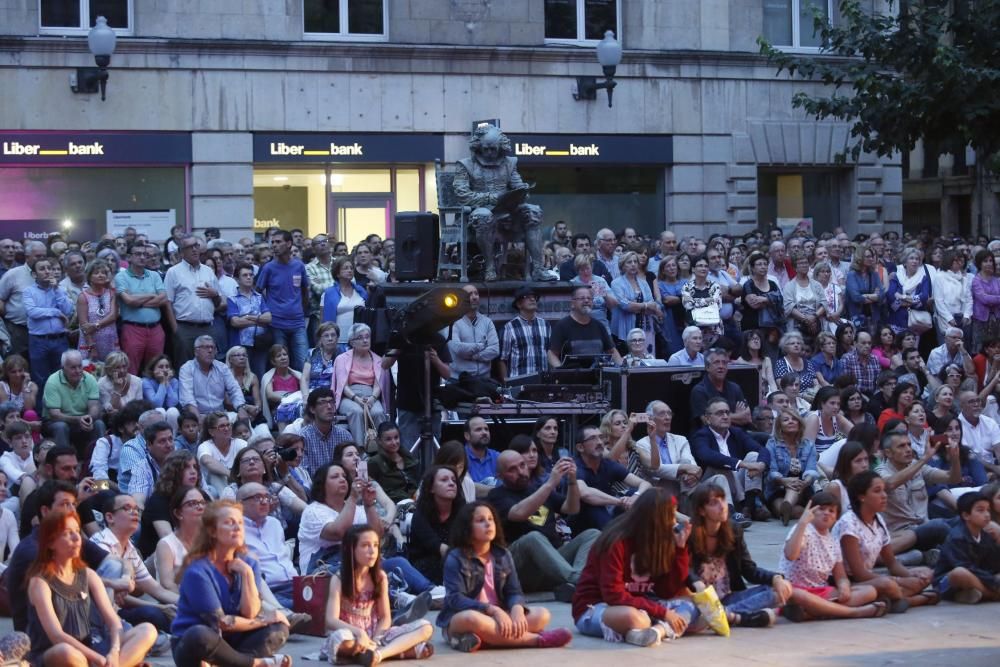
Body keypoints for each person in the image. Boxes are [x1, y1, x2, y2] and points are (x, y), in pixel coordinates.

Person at [571, 487, 700, 646]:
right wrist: (662, 612)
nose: (674, 522)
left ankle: (656, 632)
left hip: (640, 606)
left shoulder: (659, 543)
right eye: (670, 516)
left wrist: (680, 550)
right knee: (635, 618)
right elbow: (614, 595)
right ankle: (642, 629)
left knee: (692, 606)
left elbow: (666, 592)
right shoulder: (616, 542)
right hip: (598, 608)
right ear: (656, 519)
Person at [26, 511, 157, 667]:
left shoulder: (88, 575)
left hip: (89, 650)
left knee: (147, 630)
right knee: (67, 652)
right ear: (50, 542)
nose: (76, 538)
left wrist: (114, 652)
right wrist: (98, 658)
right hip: (56, 653)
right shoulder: (40, 583)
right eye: (68, 533)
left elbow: (114, 622)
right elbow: (56, 636)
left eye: (77, 532)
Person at [170, 500, 292, 667]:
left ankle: (233, 663)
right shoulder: (197, 571)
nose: (237, 527)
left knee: (279, 627)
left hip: (233, 643)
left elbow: (250, 613)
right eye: (229, 522)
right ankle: (256, 664)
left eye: (240, 522)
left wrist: (247, 575)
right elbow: (221, 623)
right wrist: (265, 620)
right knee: (199, 635)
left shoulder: (249, 564)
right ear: (213, 531)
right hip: (196, 645)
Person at [436, 501, 571, 652]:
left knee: (542, 615)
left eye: (490, 519)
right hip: (463, 618)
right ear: (467, 528)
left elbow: (514, 592)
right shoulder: (455, 557)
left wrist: (517, 609)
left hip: (499, 617)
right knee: (471, 619)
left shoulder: (503, 554)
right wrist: (491, 610)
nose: (488, 524)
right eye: (480, 520)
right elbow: (455, 599)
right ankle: (535, 639)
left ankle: (487, 639)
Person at [487, 451, 597, 597]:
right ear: (500, 476)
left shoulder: (537, 489)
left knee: (592, 534)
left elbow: (572, 508)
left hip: (553, 565)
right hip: (520, 569)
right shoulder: (496, 496)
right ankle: (579, 581)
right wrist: (551, 483)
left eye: (522, 465)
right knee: (533, 537)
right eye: (512, 469)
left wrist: (572, 480)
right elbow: (519, 513)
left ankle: (571, 585)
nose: (520, 472)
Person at [322, 523, 434, 664]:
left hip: (377, 635)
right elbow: (330, 620)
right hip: (351, 635)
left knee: (426, 628)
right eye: (365, 545)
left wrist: (376, 640)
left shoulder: (380, 577)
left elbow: (385, 617)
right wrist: (359, 633)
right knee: (340, 640)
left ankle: (378, 655)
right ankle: (397, 651)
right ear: (351, 550)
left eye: (375, 545)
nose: (372, 551)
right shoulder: (339, 579)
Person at [688, 484, 796, 629]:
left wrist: (775, 578)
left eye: (723, 500)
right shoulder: (689, 535)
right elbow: (685, 573)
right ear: (701, 510)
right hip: (700, 602)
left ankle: (722, 616)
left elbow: (749, 570)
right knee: (690, 609)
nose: (722, 506)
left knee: (776, 591)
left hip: (728, 599)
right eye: (714, 503)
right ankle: (738, 617)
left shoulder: (733, 530)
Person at [835, 470, 940, 611]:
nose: (884, 496)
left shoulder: (879, 520)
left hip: (871, 578)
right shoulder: (848, 523)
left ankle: (893, 599)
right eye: (877, 491)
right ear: (862, 497)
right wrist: (899, 581)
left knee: (926, 573)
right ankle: (913, 600)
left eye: (884, 490)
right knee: (888, 584)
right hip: (850, 582)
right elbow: (859, 573)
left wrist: (912, 575)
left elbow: (892, 563)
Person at [778, 493, 887, 621]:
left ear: (836, 518)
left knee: (870, 591)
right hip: (797, 590)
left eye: (831, 511)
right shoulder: (803, 529)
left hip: (821, 592)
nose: (827, 513)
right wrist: (802, 523)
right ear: (810, 512)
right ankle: (855, 612)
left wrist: (843, 587)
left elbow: (840, 575)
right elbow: (791, 555)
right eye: (821, 509)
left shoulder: (833, 541)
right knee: (796, 594)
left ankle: (813, 612)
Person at [876, 430, 962, 555]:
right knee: (939, 526)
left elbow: (953, 478)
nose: (908, 449)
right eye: (902, 446)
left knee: (965, 518)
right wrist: (924, 459)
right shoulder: (880, 471)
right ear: (888, 452)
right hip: (903, 535)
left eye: (909, 445)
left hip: (925, 527)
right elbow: (890, 483)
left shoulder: (917, 466)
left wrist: (955, 459)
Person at [691, 397, 772, 522]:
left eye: (727, 412)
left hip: (737, 485)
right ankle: (731, 512)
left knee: (754, 456)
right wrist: (742, 464)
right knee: (722, 467)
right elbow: (706, 455)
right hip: (711, 484)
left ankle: (749, 507)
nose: (725, 416)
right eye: (719, 413)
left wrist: (761, 465)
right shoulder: (701, 435)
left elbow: (762, 450)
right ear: (707, 418)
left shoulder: (736, 432)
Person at [298, 462, 381, 575]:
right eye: (335, 477)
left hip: (352, 563)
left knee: (397, 562)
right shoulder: (312, 511)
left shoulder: (356, 509)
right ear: (322, 484)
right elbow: (339, 533)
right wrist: (353, 497)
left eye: (344, 476)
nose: (342, 480)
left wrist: (369, 504)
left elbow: (376, 534)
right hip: (319, 571)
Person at [238, 481, 304, 610]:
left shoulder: (274, 523)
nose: (264, 501)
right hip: (270, 591)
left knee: (327, 599)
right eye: (257, 497)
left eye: (266, 497)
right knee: (303, 607)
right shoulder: (236, 529)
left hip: (296, 584)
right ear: (240, 504)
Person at [572, 426, 651, 532]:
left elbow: (645, 484)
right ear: (580, 447)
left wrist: (635, 497)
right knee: (592, 507)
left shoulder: (608, 464)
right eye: (593, 438)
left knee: (638, 493)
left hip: (608, 510)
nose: (599, 442)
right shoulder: (575, 466)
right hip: (582, 521)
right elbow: (585, 494)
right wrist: (619, 502)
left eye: (601, 437)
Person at [933, 491, 1000, 603]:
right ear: (966, 515)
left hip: (978, 576)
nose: (987, 514)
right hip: (947, 583)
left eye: (988, 510)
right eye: (980, 510)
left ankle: (969, 594)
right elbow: (966, 567)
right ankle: (992, 595)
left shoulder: (985, 536)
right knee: (960, 573)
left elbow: (994, 564)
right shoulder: (956, 537)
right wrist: (993, 582)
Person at [256, 230, 309, 370]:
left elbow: (305, 290)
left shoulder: (299, 265)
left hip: (298, 322)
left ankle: (303, 392)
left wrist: (301, 309)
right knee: (280, 365)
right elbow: (257, 292)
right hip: (276, 324)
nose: (274, 245)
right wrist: (267, 310)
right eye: (272, 242)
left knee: (304, 363)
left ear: (289, 243)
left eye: (278, 242)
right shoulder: (268, 268)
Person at [115, 242, 168, 376]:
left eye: (145, 254)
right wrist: (151, 295)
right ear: (129, 257)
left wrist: (138, 301)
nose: (143, 257)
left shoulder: (154, 275)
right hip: (133, 329)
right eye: (138, 254)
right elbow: (128, 300)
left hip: (156, 329)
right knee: (131, 370)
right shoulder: (121, 277)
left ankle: (154, 397)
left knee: (157, 370)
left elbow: (163, 299)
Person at [333, 323, 390, 446]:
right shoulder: (341, 359)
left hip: (371, 395)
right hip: (349, 396)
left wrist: (372, 398)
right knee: (356, 411)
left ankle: (381, 448)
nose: (365, 340)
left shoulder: (378, 359)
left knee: (378, 413)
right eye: (360, 337)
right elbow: (343, 385)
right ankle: (360, 449)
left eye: (367, 337)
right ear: (352, 342)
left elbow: (378, 385)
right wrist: (356, 399)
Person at [23, 256, 75, 389]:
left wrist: (56, 289)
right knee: (40, 379)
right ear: (34, 274)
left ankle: (61, 408)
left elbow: (68, 310)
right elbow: (33, 312)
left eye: (49, 268)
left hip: (60, 340)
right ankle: (41, 409)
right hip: (38, 341)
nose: (47, 271)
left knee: (63, 377)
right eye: (42, 269)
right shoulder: (28, 291)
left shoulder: (60, 289)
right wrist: (56, 312)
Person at [408, 465, 465, 584]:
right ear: (431, 488)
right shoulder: (421, 514)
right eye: (444, 480)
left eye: (454, 480)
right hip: (425, 565)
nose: (451, 483)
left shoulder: (463, 511)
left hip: (456, 559)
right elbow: (436, 546)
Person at [140, 449, 202, 560]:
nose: (193, 471)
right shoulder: (158, 500)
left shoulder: (201, 497)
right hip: (157, 560)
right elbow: (168, 539)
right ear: (173, 472)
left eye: (195, 467)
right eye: (186, 467)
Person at [41, 349, 105, 453]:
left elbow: (94, 406)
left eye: (80, 366)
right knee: (61, 427)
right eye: (73, 367)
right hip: (56, 421)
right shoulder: (52, 382)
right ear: (63, 368)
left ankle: (99, 461)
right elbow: (55, 414)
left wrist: (89, 418)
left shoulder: (90, 379)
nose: (78, 370)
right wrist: (79, 419)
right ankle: (63, 459)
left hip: (82, 419)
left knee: (98, 424)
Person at [178, 335, 250, 423]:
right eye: (206, 347)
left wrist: (241, 408)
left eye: (213, 347)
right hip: (198, 415)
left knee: (245, 420)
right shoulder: (187, 368)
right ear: (196, 351)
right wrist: (198, 420)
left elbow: (234, 389)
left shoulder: (222, 367)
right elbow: (188, 399)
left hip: (220, 415)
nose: (210, 350)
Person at [765, 409, 818, 525]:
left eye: (794, 419)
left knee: (794, 485)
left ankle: (788, 504)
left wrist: (805, 482)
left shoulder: (808, 445)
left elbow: (811, 470)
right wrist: (783, 481)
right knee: (786, 509)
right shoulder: (772, 444)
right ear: (779, 426)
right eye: (786, 420)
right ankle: (789, 508)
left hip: (803, 488)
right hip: (777, 487)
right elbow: (772, 471)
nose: (791, 422)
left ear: (799, 423)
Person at [548, 285, 621, 368]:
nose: (586, 301)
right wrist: (561, 372)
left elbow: (612, 352)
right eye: (582, 298)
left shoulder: (599, 326)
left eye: (589, 298)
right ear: (572, 304)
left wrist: (622, 369)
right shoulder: (562, 326)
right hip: (573, 378)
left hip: (598, 378)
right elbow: (552, 354)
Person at [611, 251, 662, 357]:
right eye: (629, 262)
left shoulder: (643, 283)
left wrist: (637, 306)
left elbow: (653, 305)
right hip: (624, 327)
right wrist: (645, 306)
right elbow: (625, 305)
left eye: (635, 262)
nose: (633, 264)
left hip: (646, 325)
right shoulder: (616, 283)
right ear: (623, 266)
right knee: (628, 359)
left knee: (647, 357)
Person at [228, 261, 273, 379]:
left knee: (260, 374)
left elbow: (268, 318)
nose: (249, 277)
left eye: (251, 275)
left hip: (260, 343)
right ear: (237, 279)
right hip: (242, 345)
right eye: (245, 275)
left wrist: (248, 317)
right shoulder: (232, 299)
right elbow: (235, 322)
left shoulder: (259, 297)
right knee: (242, 376)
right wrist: (259, 319)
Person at [689, 349, 754, 431]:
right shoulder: (699, 391)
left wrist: (717, 416)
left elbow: (747, 418)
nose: (721, 366)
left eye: (724, 363)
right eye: (716, 362)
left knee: (764, 438)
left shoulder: (735, 388)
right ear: (707, 367)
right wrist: (737, 416)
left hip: (737, 434)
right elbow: (707, 421)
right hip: (710, 437)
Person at [447, 284, 499, 380]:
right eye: (470, 294)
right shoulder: (453, 322)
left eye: (476, 294)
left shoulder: (487, 322)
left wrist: (474, 357)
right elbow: (458, 348)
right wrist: (482, 345)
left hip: (484, 380)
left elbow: (495, 350)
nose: (474, 297)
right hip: (459, 381)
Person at [499, 286, 550, 381]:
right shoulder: (509, 328)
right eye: (527, 297)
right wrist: (506, 385)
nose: (532, 299)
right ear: (519, 304)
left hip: (543, 382)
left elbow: (550, 353)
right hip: (519, 382)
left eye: (534, 296)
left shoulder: (545, 325)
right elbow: (503, 359)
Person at [300, 387, 353, 478]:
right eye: (323, 402)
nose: (329, 407)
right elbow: (303, 475)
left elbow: (355, 465)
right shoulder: (303, 437)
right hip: (315, 489)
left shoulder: (345, 435)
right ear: (312, 409)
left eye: (331, 402)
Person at [321, 256, 368, 354]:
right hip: (338, 342)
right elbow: (323, 321)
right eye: (345, 268)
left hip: (359, 341)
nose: (350, 270)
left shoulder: (361, 291)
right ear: (337, 273)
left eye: (351, 268)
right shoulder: (328, 293)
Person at [199, 411, 249, 497]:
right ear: (211, 432)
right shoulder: (205, 446)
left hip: (239, 485)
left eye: (228, 425)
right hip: (213, 492)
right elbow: (208, 461)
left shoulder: (241, 444)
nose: (226, 428)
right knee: (216, 475)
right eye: (222, 426)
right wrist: (231, 475)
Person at [368, 422, 420, 503]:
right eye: (388, 439)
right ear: (379, 441)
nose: (394, 442)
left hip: (416, 502)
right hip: (392, 506)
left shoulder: (409, 458)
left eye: (396, 437)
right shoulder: (374, 462)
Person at [886, 248, 932, 337]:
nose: (914, 261)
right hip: (897, 318)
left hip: (915, 321)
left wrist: (902, 298)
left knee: (912, 348)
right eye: (911, 258)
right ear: (905, 261)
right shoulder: (896, 275)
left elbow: (924, 296)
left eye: (917, 259)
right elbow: (891, 295)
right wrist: (914, 300)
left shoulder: (923, 277)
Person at [740, 251, 784, 344]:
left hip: (772, 328)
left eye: (765, 264)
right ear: (752, 267)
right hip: (752, 327)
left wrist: (764, 299)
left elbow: (781, 301)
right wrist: (772, 300)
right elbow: (754, 304)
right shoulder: (748, 285)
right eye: (759, 264)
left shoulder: (772, 284)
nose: (763, 267)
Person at [681, 255, 724, 345]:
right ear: (693, 269)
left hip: (714, 331)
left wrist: (695, 301)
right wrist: (708, 300)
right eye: (700, 266)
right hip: (693, 331)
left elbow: (718, 305)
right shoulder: (687, 287)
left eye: (706, 266)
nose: (703, 268)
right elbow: (688, 305)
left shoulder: (715, 286)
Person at [957, 389, 1000, 478]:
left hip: (993, 467)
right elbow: (971, 457)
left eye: (978, 401)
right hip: (969, 470)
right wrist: (995, 468)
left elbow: (998, 448)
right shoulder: (956, 426)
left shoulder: (990, 422)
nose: (976, 405)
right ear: (961, 406)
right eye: (971, 402)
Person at [783, 255, 826, 340]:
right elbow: (789, 307)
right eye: (801, 263)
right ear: (795, 267)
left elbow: (824, 304)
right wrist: (806, 320)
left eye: (806, 263)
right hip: (797, 326)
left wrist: (814, 317)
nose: (804, 265)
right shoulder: (789, 286)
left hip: (816, 323)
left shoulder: (817, 285)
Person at [571, 254, 616, 335]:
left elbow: (613, 305)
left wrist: (602, 292)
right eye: (582, 270)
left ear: (592, 266)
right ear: (577, 270)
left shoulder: (600, 281)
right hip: (579, 327)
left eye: (587, 268)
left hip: (601, 326)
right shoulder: (573, 283)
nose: (585, 272)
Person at [846, 241, 885, 333]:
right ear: (860, 258)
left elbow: (882, 295)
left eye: (871, 256)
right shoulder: (852, 275)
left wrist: (865, 296)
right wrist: (873, 296)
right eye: (867, 256)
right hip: (857, 316)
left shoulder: (874, 274)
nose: (871, 259)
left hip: (873, 315)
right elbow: (856, 297)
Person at [803, 386, 853, 457]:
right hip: (816, 461)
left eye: (838, 404)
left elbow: (856, 433)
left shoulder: (836, 417)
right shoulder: (814, 418)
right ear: (822, 404)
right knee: (843, 442)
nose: (836, 407)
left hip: (830, 461)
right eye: (832, 403)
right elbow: (807, 451)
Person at [263, 344, 301, 430]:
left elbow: (303, 393)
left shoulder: (297, 376)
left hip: (296, 408)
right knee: (282, 411)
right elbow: (270, 395)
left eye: (285, 354)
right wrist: (291, 397)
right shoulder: (269, 377)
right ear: (273, 361)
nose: (283, 358)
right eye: (279, 356)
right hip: (277, 410)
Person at [98, 350, 143, 422]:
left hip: (133, 418)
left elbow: (139, 407)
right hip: (112, 420)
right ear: (109, 369)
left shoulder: (137, 381)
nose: (122, 370)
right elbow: (110, 410)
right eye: (117, 367)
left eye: (124, 366)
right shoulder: (102, 383)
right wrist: (117, 389)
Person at [305, 234, 335, 343]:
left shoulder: (339, 263)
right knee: (320, 349)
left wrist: (324, 284)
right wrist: (339, 283)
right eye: (318, 243)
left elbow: (351, 283)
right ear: (313, 249)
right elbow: (318, 290)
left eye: (324, 241)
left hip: (341, 312)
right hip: (319, 316)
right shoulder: (308, 268)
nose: (322, 244)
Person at [300, 321, 340, 403]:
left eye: (333, 335)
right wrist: (305, 397)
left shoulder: (342, 355)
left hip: (332, 396)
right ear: (320, 339)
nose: (330, 338)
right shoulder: (312, 353)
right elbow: (305, 378)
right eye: (326, 335)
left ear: (337, 337)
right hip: (312, 394)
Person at [655, 255, 687, 355]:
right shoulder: (660, 285)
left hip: (685, 319)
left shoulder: (685, 282)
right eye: (668, 266)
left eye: (673, 265)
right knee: (672, 349)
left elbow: (691, 298)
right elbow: (667, 300)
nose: (672, 268)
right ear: (663, 271)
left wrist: (678, 298)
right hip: (669, 321)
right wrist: (682, 298)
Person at [970, 249, 1000, 353]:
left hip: (996, 319)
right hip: (980, 320)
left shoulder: (997, 280)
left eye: (990, 260)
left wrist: (991, 298)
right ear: (979, 263)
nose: (988, 263)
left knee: (996, 347)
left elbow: (988, 298)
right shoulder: (975, 280)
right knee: (979, 347)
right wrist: (996, 299)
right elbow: (984, 299)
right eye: (985, 261)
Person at [773, 331, 820, 396]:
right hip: (790, 399)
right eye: (792, 343)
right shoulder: (780, 363)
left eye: (798, 343)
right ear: (785, 347)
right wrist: (802, 396)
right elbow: (782, 387)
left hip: (810, 398)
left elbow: (816, 384)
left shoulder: (808, 363)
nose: (796, 345)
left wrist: (813, 394)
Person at [463, 416, 499, 493]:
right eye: (478, 429)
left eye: (486, 429)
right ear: (467, 436)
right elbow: (466, 489)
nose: (484, 432)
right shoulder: (459, 457)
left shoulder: (497, 456)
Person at [740, 329, 778, 399]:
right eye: (752, 339)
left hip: (764, 395)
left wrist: (776, 396)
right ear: (746, 343)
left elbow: (771, 382)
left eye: (757, 339)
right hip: (746, 395)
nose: (756, 341)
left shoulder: (766, 360)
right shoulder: (740, 361)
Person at [841, 331, 881, 395]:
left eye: (869, 343)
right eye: (863, 343)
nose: (867, 346)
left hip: (872, 396)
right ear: (855, 343)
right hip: (854, 397)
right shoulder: (847, 359)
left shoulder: (875, 359)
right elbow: (847, 386)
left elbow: (878, 383)